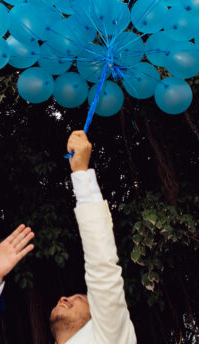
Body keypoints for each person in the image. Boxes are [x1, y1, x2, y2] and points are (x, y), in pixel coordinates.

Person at [49, 131, 137, 344]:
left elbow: (102, 271)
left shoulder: (109, 335)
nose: (64, 298)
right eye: (75, 298)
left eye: (78, 298)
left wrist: (81, 174)